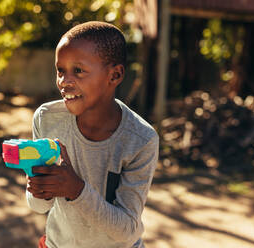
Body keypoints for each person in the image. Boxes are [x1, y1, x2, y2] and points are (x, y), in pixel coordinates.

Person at [26, 21, 159, 248]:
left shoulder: (140, 139)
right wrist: (42, 190)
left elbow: (127, 229)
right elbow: (38, 207)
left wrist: (75, 189)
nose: (64, 82)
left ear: (115, 75)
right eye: (60, 70)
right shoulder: (47, 119)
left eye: (78, 71)